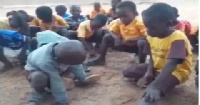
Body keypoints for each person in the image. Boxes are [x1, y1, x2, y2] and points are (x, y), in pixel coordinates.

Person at [121, 3, 192, 105]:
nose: (148, 31)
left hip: (176, 72)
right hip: (157, 69)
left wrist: (154, 85)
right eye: (147, 27)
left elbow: (173, 63)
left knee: (156, 89)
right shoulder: (151, 37)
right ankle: (155, 78)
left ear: (168, 23)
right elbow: (152, 58)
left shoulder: (178, 38)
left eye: (152, 28)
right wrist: (148, 72)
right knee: (127, 72)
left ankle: (147, 99)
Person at [25, 40, 101, 105]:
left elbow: (76, 65)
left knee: (72, 64)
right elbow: (55, 80)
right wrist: (63, 101)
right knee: (39, 78)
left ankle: (69, 80)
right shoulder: (45, 61)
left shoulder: (65, 45)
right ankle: (38, 94)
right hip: (35, 70)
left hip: (56, 66)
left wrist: (83, 78)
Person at [87, 1, 147, 66]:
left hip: (136, 47)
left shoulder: (139, 23)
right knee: (107, 37)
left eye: (125, 16)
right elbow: (111, 30)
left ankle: (141, 65)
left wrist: (134, 39)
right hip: (124, 44)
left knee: (141, 43)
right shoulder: (119, 22)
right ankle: (101, 59)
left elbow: (147, 36)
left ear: (135, 13)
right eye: (120, 17)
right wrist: (116, 38)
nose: (122, 19)